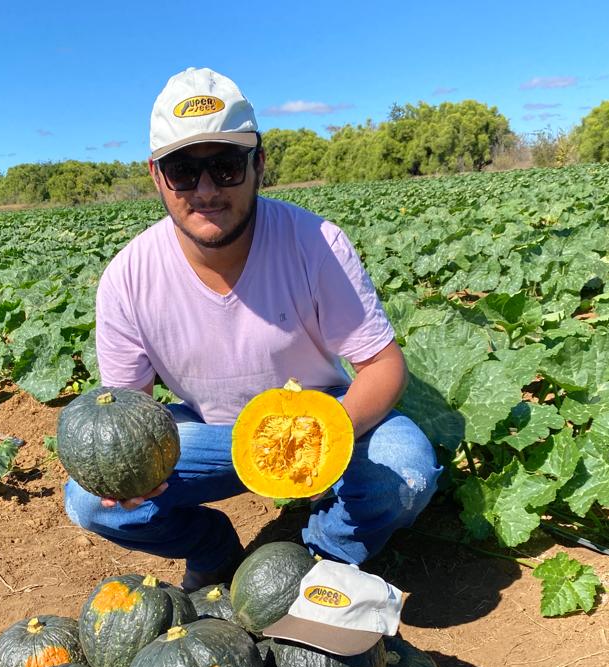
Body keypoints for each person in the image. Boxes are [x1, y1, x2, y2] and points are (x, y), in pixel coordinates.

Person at [65, 67, 441, 591]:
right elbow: (129, 414)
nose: (205, 190)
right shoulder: (127, 278)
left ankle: (312, 561)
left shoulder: (315, 243)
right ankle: (213, 550)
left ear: (258, 164)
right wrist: (125, 476)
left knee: (405, 472)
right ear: (156, 176)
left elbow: (383, 365)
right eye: (181, 171)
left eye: (224, 167)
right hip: (208, 432)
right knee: (90, 500)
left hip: (320, 413)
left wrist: (320, 436)